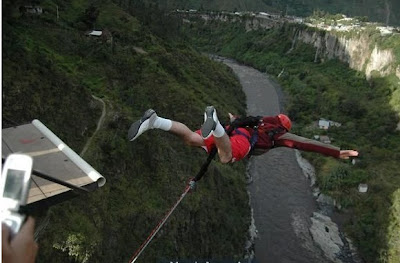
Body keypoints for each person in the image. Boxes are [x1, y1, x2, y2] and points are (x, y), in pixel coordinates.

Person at [128, 106, 359, 163]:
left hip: (233, 131)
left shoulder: (258, 122)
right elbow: (305, 144)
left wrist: (230, 121)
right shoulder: (277, 135)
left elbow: (239, 122)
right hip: (239, 140)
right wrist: (336, 152)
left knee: (192, 139)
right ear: (284, 128)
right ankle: (215, 124)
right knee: (225, 157)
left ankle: (156, 121)